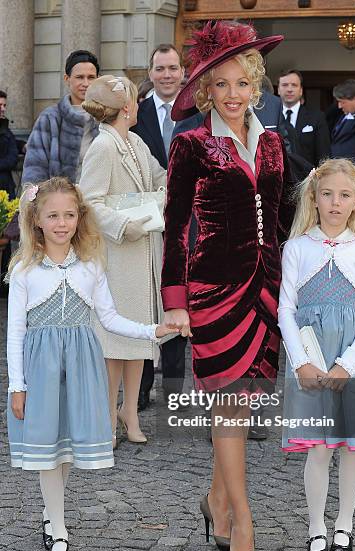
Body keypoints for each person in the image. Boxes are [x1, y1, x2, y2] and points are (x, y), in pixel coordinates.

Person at [161, 20, 291, 551]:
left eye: (242, 84)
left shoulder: (272, 142)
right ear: (207, 90)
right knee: (229, 407)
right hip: (212, 290)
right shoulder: (191, 144)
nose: (233, 96)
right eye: (222, 86)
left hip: (266, 287)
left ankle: (215, 501)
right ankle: (242, 517)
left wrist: (350, 238)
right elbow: (173, 227)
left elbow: (286, 216)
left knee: (241, 405)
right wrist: (175, 300)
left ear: (255, 84)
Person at [6, 177, 175, 551]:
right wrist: (18, 385)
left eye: (69, 215)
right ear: (37, 221)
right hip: (40, 369)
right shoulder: (24, 272)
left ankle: (52, 515)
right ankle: (60, 531)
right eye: (53, 215)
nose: (62, 223)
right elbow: (15, 332)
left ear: (79, 219)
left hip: (82, 366)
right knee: (47, 449)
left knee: (65, 446)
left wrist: (152, 330)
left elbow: (110, 317)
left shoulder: (91, 266)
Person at [278, 158, 355, 551]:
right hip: (312, 362)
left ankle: (344, 525)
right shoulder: (296, 249)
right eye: (327, 194)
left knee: (351, 448)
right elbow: (285, 311)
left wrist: (347, 363)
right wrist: (301, 363)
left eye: (344, 195)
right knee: (318, 449)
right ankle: (315, 529)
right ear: (313, 196)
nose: (334, 202)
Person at [80, 75, 167, 448]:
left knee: (139, 342)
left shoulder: (134, 141)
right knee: (114, 343)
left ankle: (129, 412)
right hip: (118, 256)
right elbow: (89, 201)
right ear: (127, 108)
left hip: (145, 255)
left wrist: (164, 193)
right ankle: (105, 415)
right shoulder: (103, 146)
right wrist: (125, 225)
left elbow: (160, 176)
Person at [132, 43, 188, 410]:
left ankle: (174, 391)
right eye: (160, 69)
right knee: (145, 307)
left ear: (182, 72)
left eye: (173, 68)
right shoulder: (134, 113)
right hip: (146, 224)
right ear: (150, 73)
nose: (167, 75)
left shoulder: (199, 110)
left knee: (177, 304)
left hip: (187, 226)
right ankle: (140, 390)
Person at [22, 50, 100, 185]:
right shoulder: (50, 118)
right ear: (67, 79)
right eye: (80, 77)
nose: (86, 83)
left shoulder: (106, 117)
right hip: (60, 202)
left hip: (99, 200)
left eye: (91, 77)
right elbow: (34, 169)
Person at [277, 69, 330, 168]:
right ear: (278, 90)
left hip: (307, 179)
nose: (289, 89)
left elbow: (324, 156)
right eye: (285, 85)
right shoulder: (271, 117)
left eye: (294, 85)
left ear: (301, 90)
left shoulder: (317, 117)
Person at [0, 90, 19, 198]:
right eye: (0, 105)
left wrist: (22, 145)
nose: (3, 109)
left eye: (4, 105)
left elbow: (10, 142)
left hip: (6, 187)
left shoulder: (4, 127)